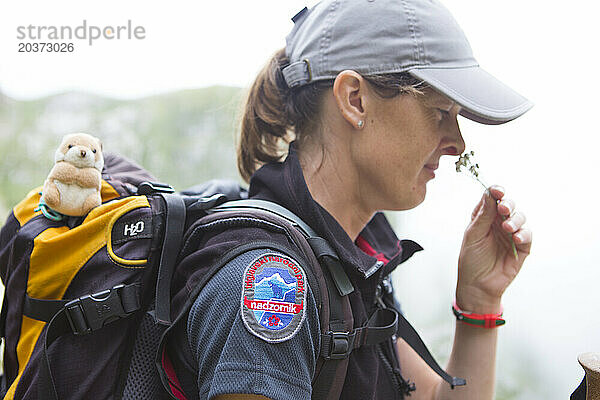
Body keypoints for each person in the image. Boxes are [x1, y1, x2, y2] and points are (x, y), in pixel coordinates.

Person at [166, 0, 533, 399]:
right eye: (441, 111)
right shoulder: (271, 284)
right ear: (354, 99)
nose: (458, 144)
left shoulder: (353, 257)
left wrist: (479, 299)